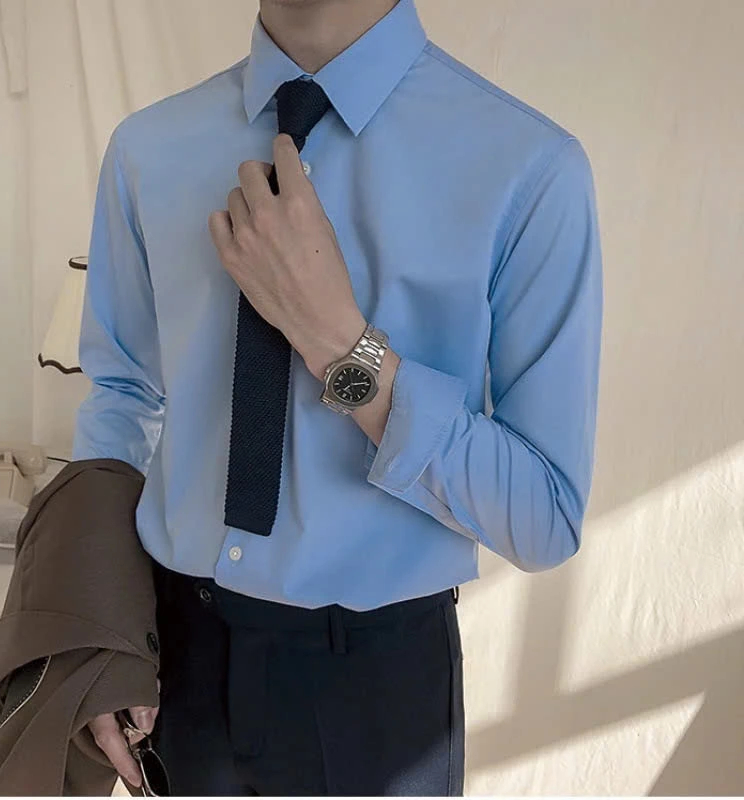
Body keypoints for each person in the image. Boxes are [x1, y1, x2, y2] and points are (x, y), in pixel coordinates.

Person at [72, 0, 603, 795]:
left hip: (378, 695)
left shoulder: (528, 168)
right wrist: (97, 624)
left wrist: (341, 348)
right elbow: (121, 394)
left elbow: (544, 517)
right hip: (171, 660)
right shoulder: (148, 149)